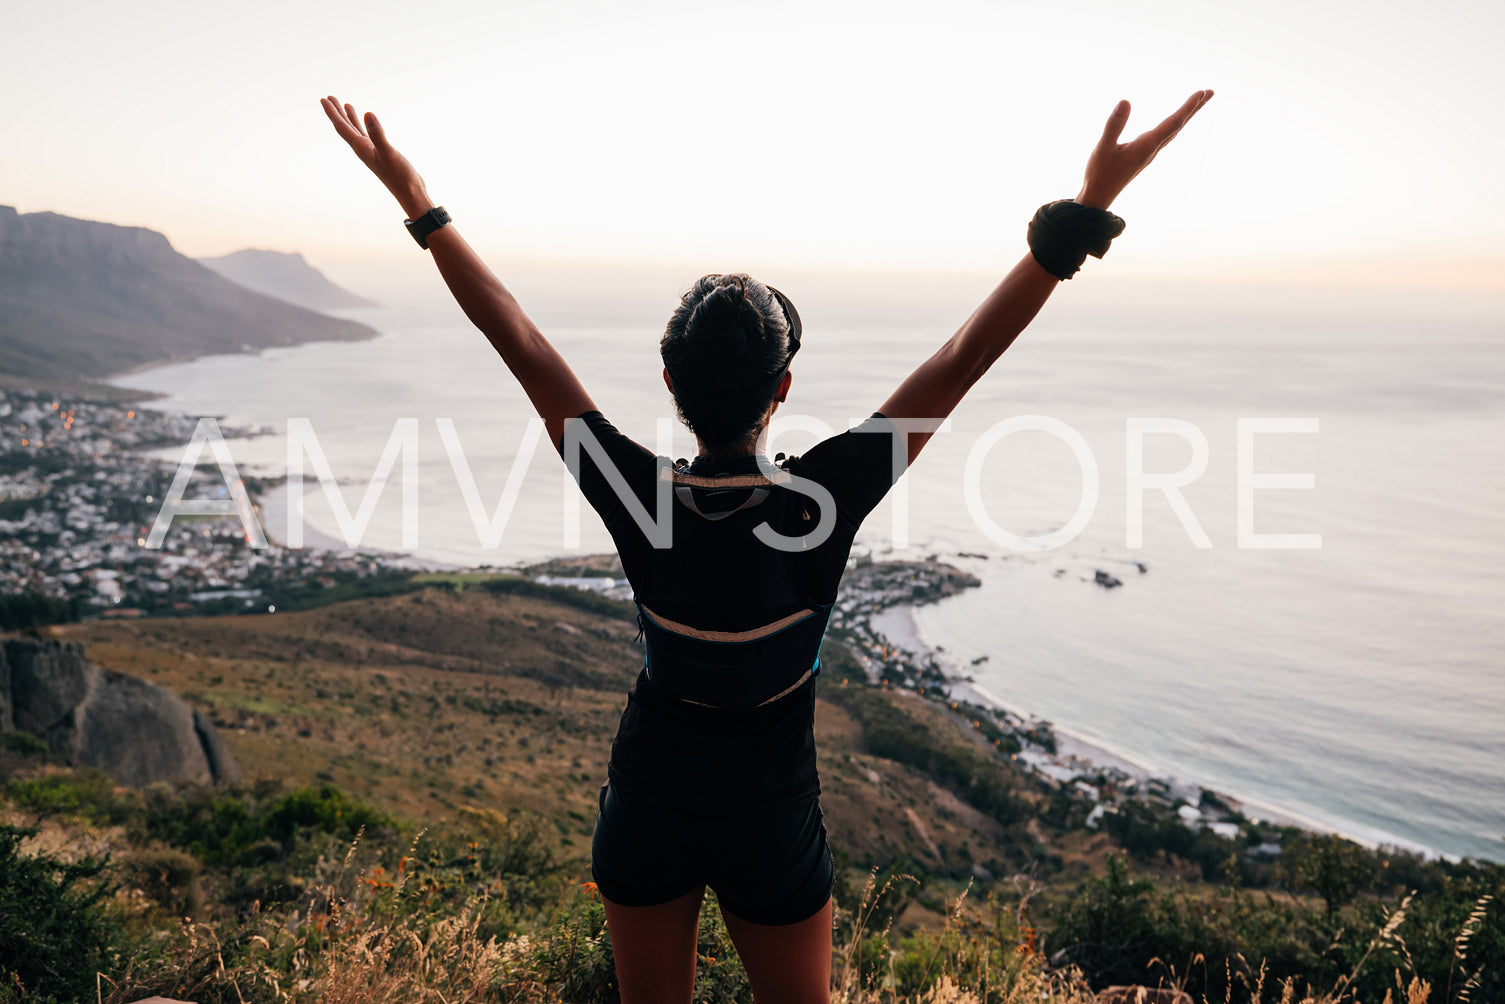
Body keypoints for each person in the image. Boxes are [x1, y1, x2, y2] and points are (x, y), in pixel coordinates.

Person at [321, 87, 1213, 1004]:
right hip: (770, 810)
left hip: (649, 798)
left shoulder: (637, 494)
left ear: (669, 381)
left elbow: (517, 337)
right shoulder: (819, 500)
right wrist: (1080, 215)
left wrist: (417, 202)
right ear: (782, 388)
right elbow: (959, 359)